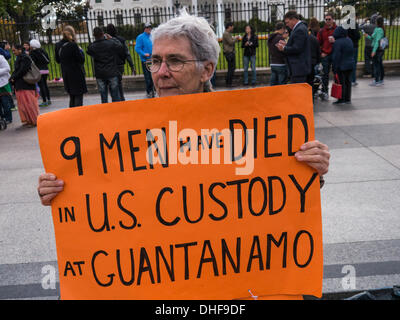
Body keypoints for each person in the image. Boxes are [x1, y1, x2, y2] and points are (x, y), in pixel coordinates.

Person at [37, 13, 331, 298]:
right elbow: (109, 199)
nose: (161, 72)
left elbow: (268, 192)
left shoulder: (244, 127)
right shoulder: (127, 135)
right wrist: (62, 189)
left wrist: (306, 171)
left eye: (175, 61)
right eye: (155, 61)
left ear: (207, 69)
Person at [87, 27, 124, 104]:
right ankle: (116, 110)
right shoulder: (110, 43)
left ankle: (105, 111)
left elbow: (88, 50)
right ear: (103, 34)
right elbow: (120, 46)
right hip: (112, 72)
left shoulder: (93, 46)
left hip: (100, 73)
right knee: (115, 95)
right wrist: (112, 38)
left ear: (94, 35)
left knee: (103, 96)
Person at [55, 25, 87, 108]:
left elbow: (58, 60)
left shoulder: (58, 45)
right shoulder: (73, 45)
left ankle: (71, 115)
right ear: (73, 34)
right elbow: (81, 59)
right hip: (76, 73)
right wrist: (80, 50)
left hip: (66, 73)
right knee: (78, 95)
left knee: (72, 95)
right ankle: (77, 115)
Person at [276, 11, 311, 84]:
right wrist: (286, 44)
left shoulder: (299, 29)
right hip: (298, 67)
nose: (287, 25)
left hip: (298, 68)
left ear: (293, 19)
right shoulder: (299, 28)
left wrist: (284, 48)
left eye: (287, 22)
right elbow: (297, 44)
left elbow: (297, 48)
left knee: (298, 92)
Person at [9, 44, 39, 127]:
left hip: (26, 85)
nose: (13, 52)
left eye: (14, 50)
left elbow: (23, 70)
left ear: (19, 50)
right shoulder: (19, 57)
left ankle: (34, 121)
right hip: (20, 84)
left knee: (29, 104)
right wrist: (12, 78)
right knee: (23, 105)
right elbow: (17, 70)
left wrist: (13, 77)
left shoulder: (25, 58)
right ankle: (28, 120)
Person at [105, 23, 136, 101]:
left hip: (109, 65)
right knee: (118, 83)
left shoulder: (105, 41)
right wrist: (132, 66)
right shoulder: (121, 40)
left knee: (111, 84)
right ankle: (121, 98)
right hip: (120, 64)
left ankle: (115, 99)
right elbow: (127, 54)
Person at [332, 26, 354, 105]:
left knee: (341, 83)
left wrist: (334, 68)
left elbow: (336, 56)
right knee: (348, 82)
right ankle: (348, 98)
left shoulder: (337, 42)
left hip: (341, 65)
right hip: (350, 64)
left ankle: (341, 99)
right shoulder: (349, 40)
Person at [317, 12, 337, 100]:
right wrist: (321, 52)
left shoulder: (337, 29)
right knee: (325, 74)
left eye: (329, 19)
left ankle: (337, 93)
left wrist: (335, 41)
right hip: (326, 55)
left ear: (333, 19)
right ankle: (325, 92)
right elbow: (318, 43)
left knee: (337, 74)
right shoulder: (322, 31)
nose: (328, 21)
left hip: (335, 54)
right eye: (326, 19)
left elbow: (342, 40)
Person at [135, 23, 155, 98]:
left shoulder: (152, 36)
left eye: (150, 28)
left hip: (154, 59)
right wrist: (144, 54)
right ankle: (149, 91)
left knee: (154, 76)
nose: (149, 29)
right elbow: (137, 48)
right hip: (146, 60)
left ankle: (154, 90)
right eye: (148, 28)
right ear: (145, 29)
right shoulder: (140, 37)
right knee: (148, 77)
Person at [29, 39, 51, 107]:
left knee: (41, 86)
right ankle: (49, 99)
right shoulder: (43, 51)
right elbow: (48, 60)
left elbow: (33, 62)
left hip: (39, 71)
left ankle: (44, 101)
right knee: (45, 85)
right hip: (45, 70)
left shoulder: (33, 52)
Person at [365, 16, 385, 87]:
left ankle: (377, 80)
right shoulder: (378, 29)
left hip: (377, 50)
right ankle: (380, 79)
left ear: (378, 22)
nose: (375, 22)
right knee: (379, 65)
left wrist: (373, 51)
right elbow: (372, 38)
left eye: (376, 21)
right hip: (378, 49)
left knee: (376, 65)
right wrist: (367, 35)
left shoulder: (379, 30)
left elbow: (377, 41)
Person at [222, 22, 238, 87]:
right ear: (229, 27)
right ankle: (228, 83)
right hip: (229, 53)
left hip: (230, 52)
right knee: (231, 68)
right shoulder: (226, 34)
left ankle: (229, 82)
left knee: (231, 68)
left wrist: (233, 38)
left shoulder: (227, 33)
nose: (233, 28)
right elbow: (231, 42)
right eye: (232, 26)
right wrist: (236, 38)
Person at [0, 53, 13, 124]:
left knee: (5, 103)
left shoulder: (1, 58)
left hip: (3, 84)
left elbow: (7, 68)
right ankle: (2, 119)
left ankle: (8, 118)